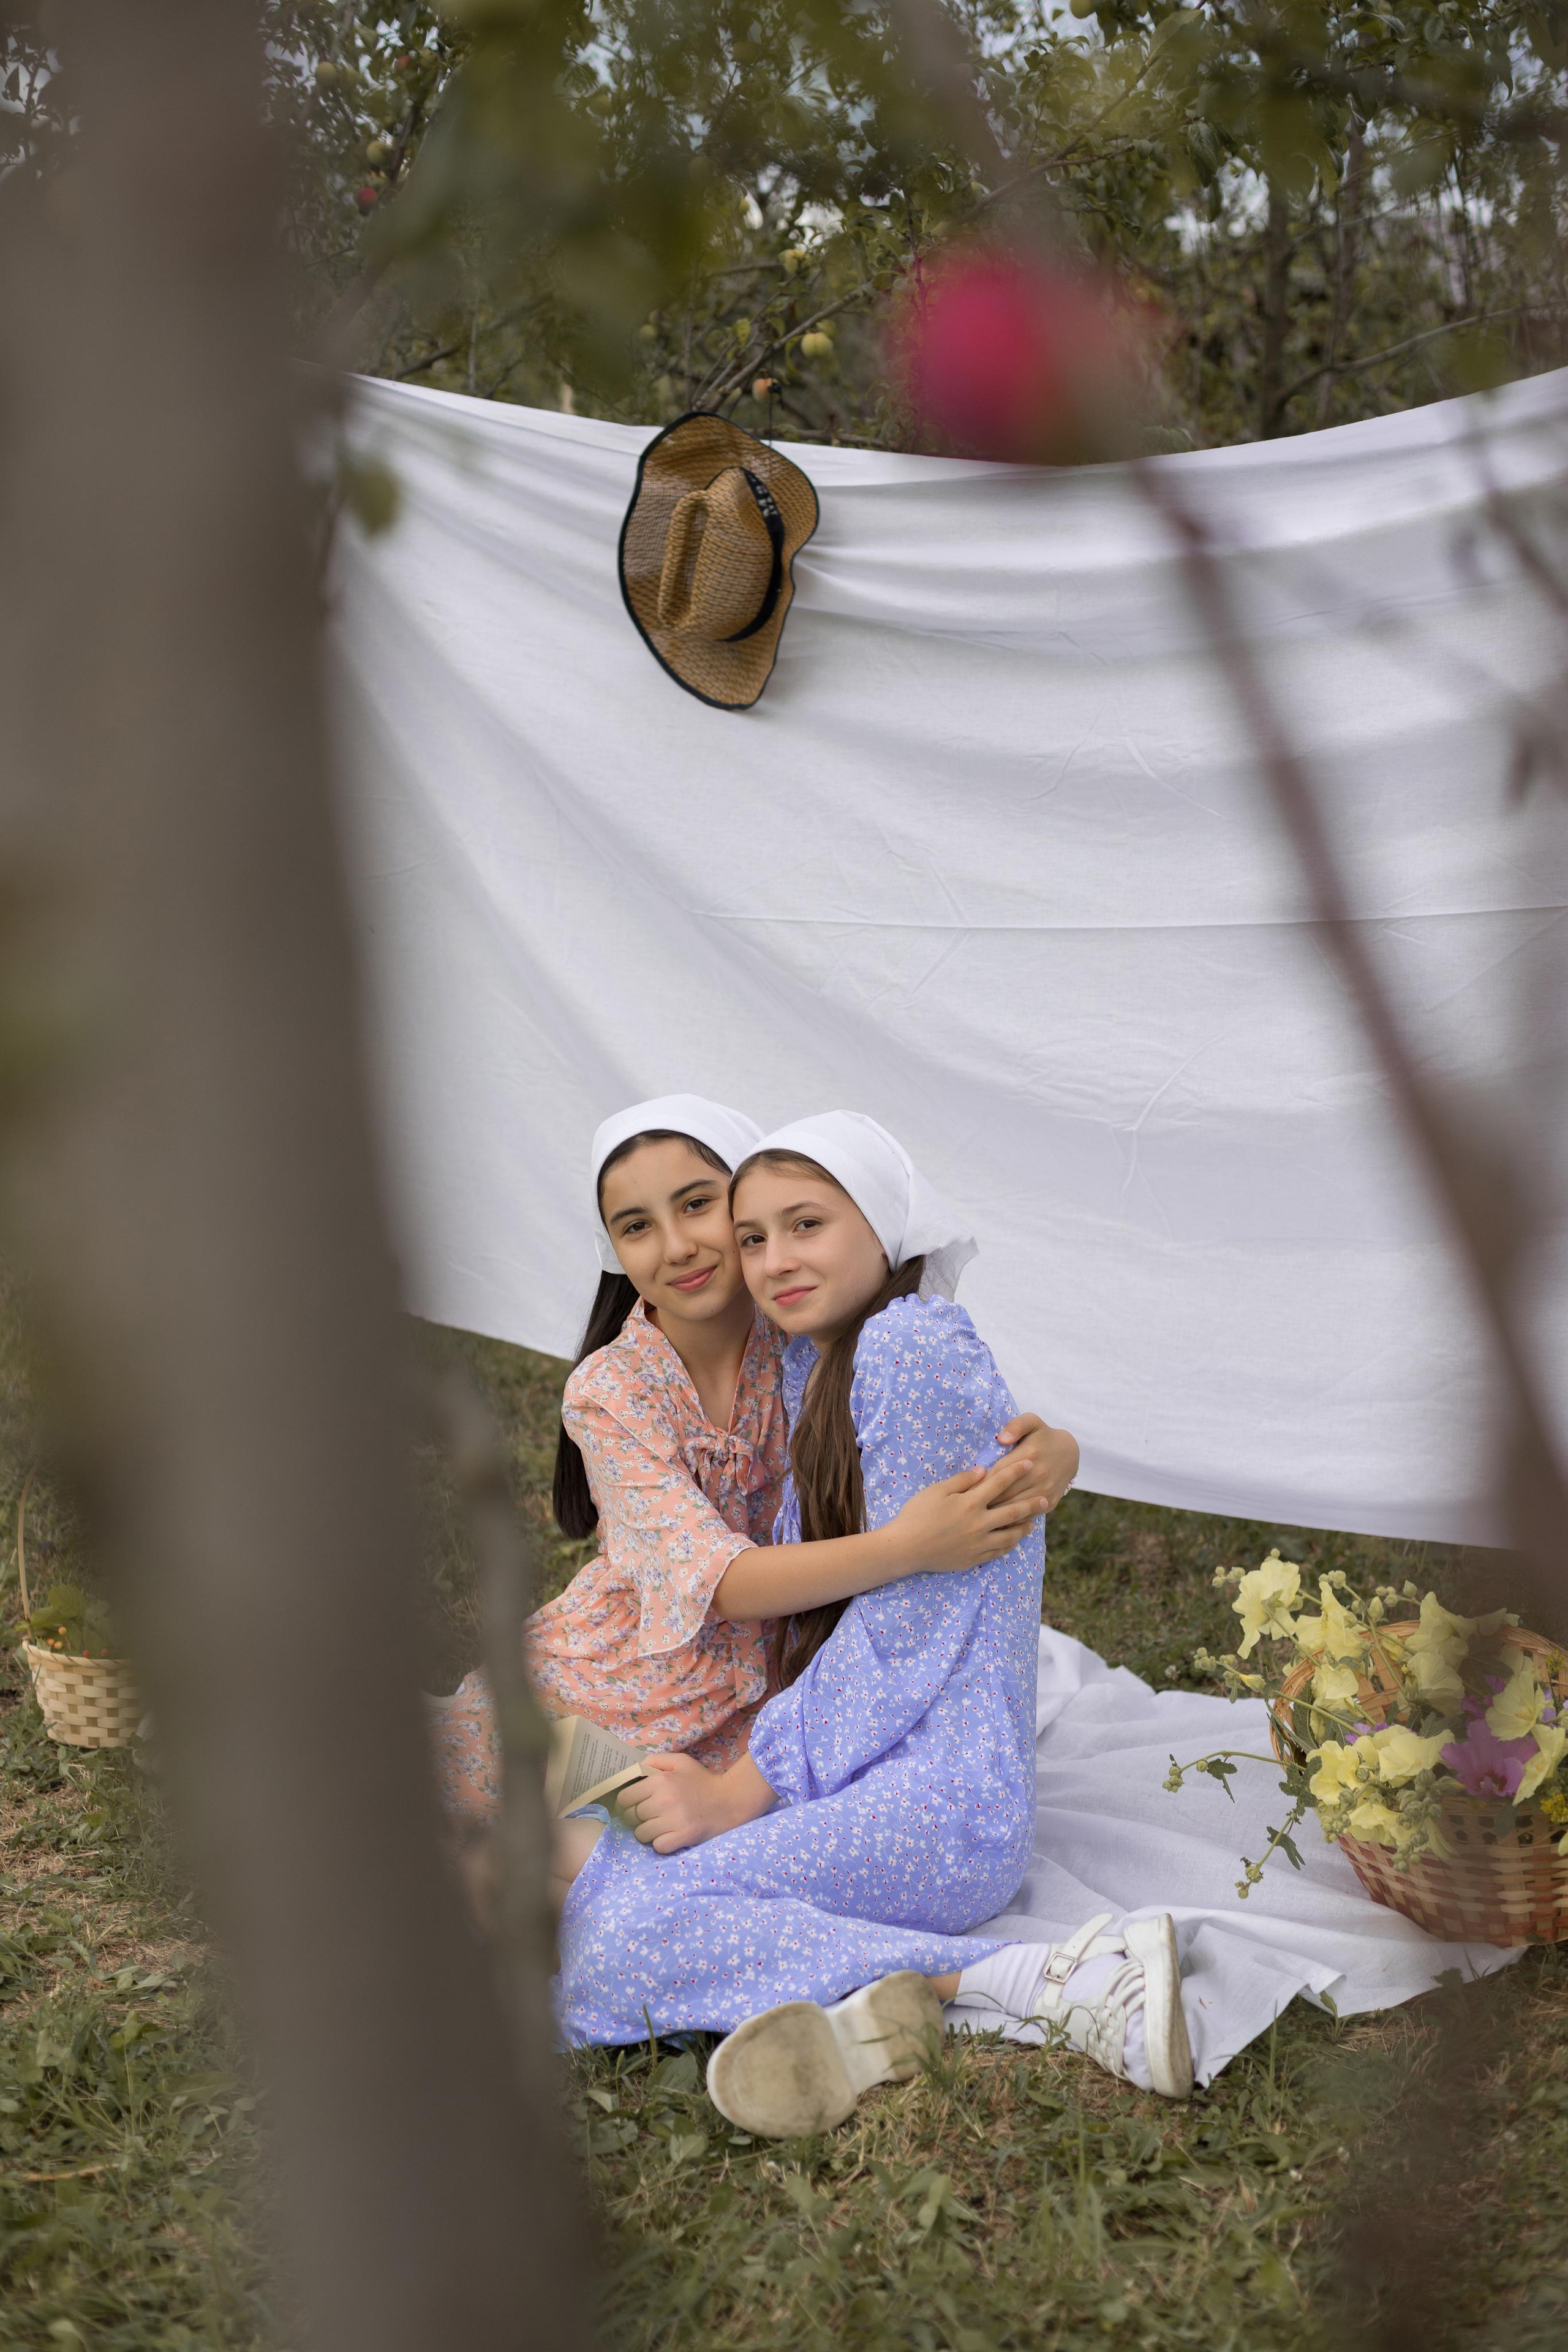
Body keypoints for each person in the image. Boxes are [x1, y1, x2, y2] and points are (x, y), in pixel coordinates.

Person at [551, 1112, 1194, 2130]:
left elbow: (906, 1626)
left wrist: (741, 1790)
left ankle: (1041, 1984)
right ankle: (870, 2013)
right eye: (755, 1237)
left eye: (805, 1225)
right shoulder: (824, 1360)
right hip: (868, 1765)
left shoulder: (902, 1349)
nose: (771, 1261)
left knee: (611, 1941)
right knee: (594, 1895)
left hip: (943, 1803)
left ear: (885, 1223)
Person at [431, 1095, 1079, 1816]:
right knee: (494, 1779)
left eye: (698, 1204)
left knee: (743, 1818)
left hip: (795, 1675)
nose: (676, 1246)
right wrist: (908, 1547)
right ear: (614, 1250)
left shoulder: (808, 1324)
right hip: (646, 1672)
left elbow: (945, 1416)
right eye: (637, 1227)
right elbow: (723, 1585)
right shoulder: (610, 1391)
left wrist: (1053, 1454)